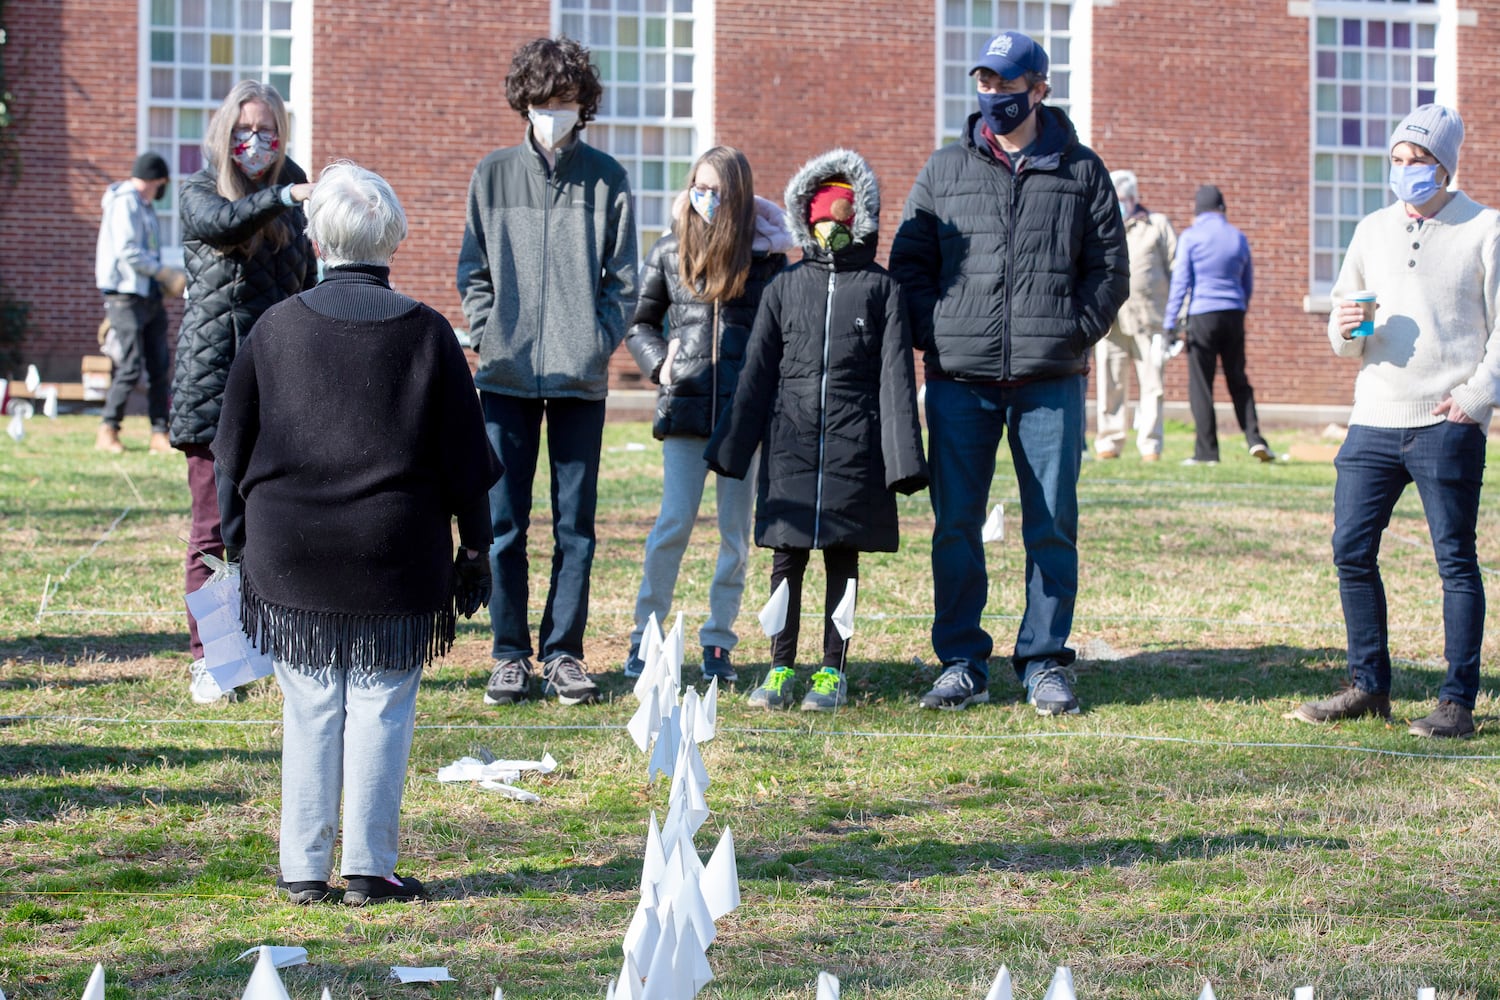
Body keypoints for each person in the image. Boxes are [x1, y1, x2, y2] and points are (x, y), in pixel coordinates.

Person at [215, 162, 502, 905]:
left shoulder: (276, 328)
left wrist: (238, 541)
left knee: (309, 704)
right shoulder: (430, 333)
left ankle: (304, 868)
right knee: (380, 703)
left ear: (318, 239)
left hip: (292, 551)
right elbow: (469, 463)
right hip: (394, 552)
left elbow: (230, 445)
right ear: (392, 239)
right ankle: (369, 868)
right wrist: (476, 549)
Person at [889, 30, 1128, 715]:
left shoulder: (1082, 172)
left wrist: (1067, 334)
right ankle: (962, 659)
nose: (994, 95)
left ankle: (1044, 659)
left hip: (1049, 381)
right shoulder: (944, 170)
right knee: (955, 524)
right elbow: (911, 264)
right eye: (985, 83)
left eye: (1006, 83)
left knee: (1051, 523)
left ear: (1039, 89)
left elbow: (1108, 272)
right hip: (960, 381)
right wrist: (942, 334)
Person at [1288, 105, 1497, 740]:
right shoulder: (1372, 230)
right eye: (1398, 160)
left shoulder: (1485, 230)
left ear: (1445, 166)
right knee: (1350, 549)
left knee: (1454, 560)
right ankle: (1368, 686)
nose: (1405, 171)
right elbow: (1341, 322)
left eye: (1419, 161)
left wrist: (1476, 399)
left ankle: (1457, 700)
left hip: (1446, 420)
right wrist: (1344, 331)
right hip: (1373, 417)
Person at [707, 148, 928, 712]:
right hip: (791, 449)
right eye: (822, 218)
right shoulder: (786, 286)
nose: (830, 228)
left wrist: (903, 460)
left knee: (842, 559)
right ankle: (780, 666)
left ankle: (833, 670)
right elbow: (757, 371)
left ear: (859, 222)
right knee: (786, 559)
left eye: (841, 219)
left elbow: (896, 378)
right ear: (807, 220)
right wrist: (733, 446)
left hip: (855, 453)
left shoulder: (882, 290)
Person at [458, 36, 637, 708]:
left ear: (583, 104)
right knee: (503, 522)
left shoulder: (608, 178)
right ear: (523, 104)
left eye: (563, 102)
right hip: (502, 377)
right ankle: (509, 654)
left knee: (575, 527)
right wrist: (488, 333)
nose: (551, 113)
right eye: (540, 102)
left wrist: (594, 344)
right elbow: (471, 270)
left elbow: (623, 281)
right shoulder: (493, 175)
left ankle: (564, 652)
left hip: (578, 381)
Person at [168, 80, 316, 704]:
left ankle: (265, 648)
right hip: (213, 384)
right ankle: (212, 659)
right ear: (225, 135)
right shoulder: (200, 191)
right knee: (214, 528)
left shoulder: (294, 197)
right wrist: (283, 192)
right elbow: (225, 224)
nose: (255, 142)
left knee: (271, 524)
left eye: (267, 131)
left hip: (276, 380)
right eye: (243, 131)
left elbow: (307, 277)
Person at [622, 146, 793, 684]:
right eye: (700, 187)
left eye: (718, 191)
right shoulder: (670, 251)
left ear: (738, 195)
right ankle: (644, 639)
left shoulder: (766, 258)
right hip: (686, 412)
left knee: (735, 536)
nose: (707, 199)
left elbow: (781, 336)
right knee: (672, 525)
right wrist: (661, 367)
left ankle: (719, 641)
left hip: (742, 421)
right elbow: (640, 323)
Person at [1163, 184, 1274, 466]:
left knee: (1201, 385)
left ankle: (1207, 452)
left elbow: (1181, 284)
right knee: (1238, 379)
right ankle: (1255, 439)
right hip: (1233, 314)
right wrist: (1239, 306)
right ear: (1222, 208)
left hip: (1202, 315)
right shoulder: (1238, 238)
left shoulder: (1190, 237)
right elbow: (1247, 283)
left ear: (1197, 211)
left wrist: (1169, 323)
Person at [94, 152, 184, 456]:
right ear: (157, 180)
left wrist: (159, 282)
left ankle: (160, 432)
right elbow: (128, 251)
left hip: (148, 294)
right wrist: (163, 272)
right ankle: (108, 430)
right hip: (124, 295)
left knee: (159, 365)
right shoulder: (125, 203)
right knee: (130, 366)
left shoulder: (143, 206)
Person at [1094, 170, 1175, 461]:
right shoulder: (1102, 226)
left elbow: (1176, 268)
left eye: (1125, 198)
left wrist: (1176, 317)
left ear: (1135, 197)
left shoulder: (1157, 225)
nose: (1121, 203)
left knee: (1153, 385)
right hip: (1111, 320)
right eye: (1116, 198)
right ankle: (1110, 440)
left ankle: (1150, 444)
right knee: (1110, 381)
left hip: (1150, 319)